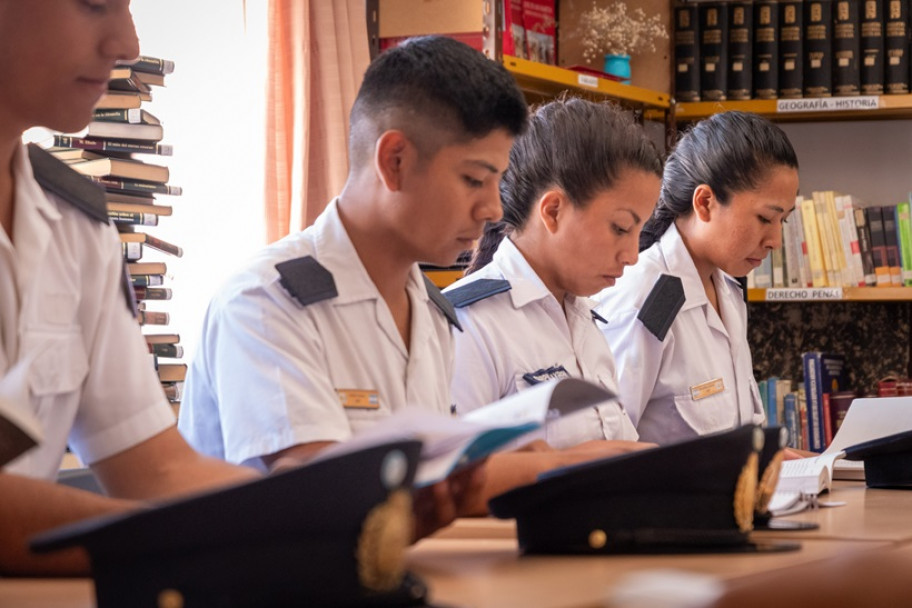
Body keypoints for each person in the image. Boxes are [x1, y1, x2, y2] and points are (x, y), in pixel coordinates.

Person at [179, 36, 637, 516]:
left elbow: (430, 480)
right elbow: (325, 496)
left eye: (497, 182)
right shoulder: (268, 301)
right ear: (394, 161)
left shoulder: (428, 309)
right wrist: (558, 466)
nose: (493, 208)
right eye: (474, 179)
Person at [0, 0, 258, 575]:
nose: (128, 42)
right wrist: (260, 535)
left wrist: (327, 510)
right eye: (95, 4)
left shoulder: (75, 226)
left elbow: (155, 468)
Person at [445, 97, 661, 450]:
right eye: (621, 228)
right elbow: (450, 486)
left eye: (640, 233)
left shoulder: (585, 321)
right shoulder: (470, 325)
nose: (633, 255)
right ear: (554, 210)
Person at [592, 111, 800, 445]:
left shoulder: (728, 291)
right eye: (765, 218)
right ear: (704, 203)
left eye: (783, 222)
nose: (775, 240)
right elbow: (607, 449)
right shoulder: (646, 299)